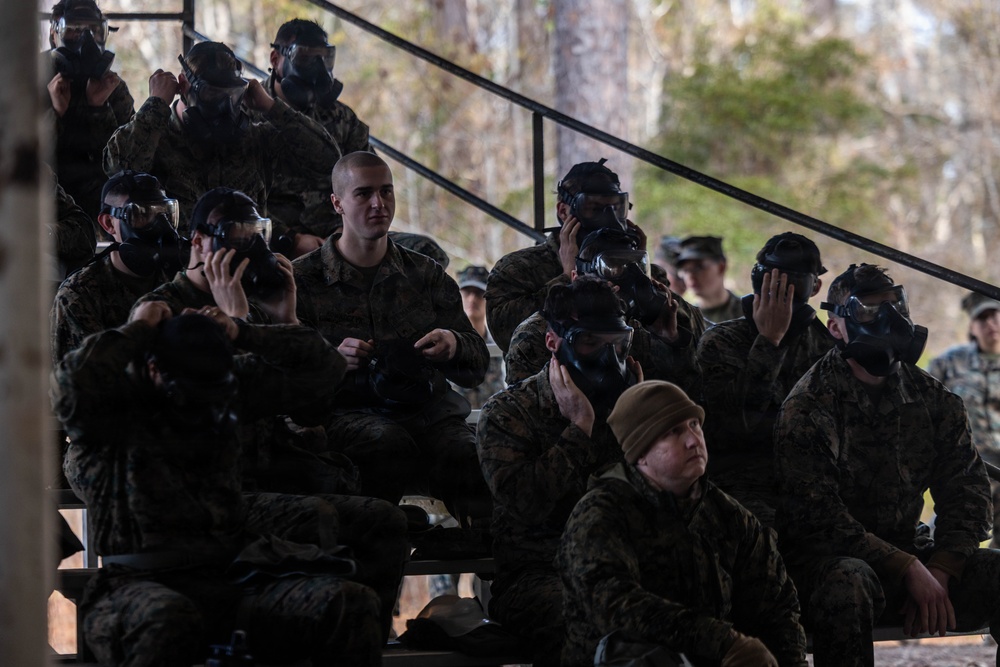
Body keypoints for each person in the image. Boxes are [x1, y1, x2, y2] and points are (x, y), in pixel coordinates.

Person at [53, 305, 383, 666]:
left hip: (228, 575)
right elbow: (69, 382)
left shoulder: (223, 388)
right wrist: (138, 329)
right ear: (152, 370)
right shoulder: (110, 408)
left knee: (348, 603)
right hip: (135, 584)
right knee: (168, 618)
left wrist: (242, 333)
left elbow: (325, 366)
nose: (199, 404)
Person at [774, 263, 1000, 667]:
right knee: (849, 581)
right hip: (828, 571)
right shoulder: (809, 405)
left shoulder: (933, 398)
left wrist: (943, 569)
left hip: (915, 562)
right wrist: (908, 568)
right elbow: (816, 519)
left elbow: (968, 491)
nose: (889, 321)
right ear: (836, 328)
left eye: (895, 306)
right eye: (868, 311)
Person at [294, 151, 491, 526]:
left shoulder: (426, 275)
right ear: (337, 203)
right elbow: (283, 374)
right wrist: (330, 360)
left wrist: (452, 343)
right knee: (384, 445)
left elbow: (477, 366)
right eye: (364, 194)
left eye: (386, 192)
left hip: (427, 413)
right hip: (348, 416)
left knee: (469, 454)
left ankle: (474, 545)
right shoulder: (303, 281)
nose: (378, 204)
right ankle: (381, 539)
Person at [557, 380, 808, 667]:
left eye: (694, 425)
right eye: (673, 432)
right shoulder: (601, 514)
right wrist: (724, 641)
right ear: (640, 453)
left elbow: (776, 607)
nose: (693, 439)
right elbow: (617, 606)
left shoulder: (728, 515)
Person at [477, 275, 642, 666]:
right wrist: (578, 430)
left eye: (616, 345)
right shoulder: (509, 412)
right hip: (539, 572)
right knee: (584, 622)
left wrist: (640, 420)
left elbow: (664, 497)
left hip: (625, 564)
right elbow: (527, 504)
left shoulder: (629, 403)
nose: (607, 358)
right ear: (554, 342)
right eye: (589, 344)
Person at [104, 40, 338, 237]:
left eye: (232, 94)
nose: (224, 104)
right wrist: (156, 104)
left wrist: (270, 107)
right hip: (177, 272)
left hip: (244, 266)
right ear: (184, 85)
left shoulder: (254, 138)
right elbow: (119, 169)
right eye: (212, 93)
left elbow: (327, 161)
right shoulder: (156, 136)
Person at [696, 231, 834, 526]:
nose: (780, 290)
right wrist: (770, 341)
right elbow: (735, 424)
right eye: (772, 279)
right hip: (741, 491)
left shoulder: (826, 348)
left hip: (813, 488)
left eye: (791, 282)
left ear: (815, 287)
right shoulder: (722, 341)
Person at [502, 226, 704, 390]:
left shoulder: (651, 324)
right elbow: (529, 407)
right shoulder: (542, 332)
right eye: (610, 271)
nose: (623, 286)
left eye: (636, 268)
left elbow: (687, 398)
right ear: (576, 278)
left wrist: (670, 340)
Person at [485, 158, 647, 353]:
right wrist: (565, 279)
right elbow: (507, 337)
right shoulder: (519, 268)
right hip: (551, 380)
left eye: (616, 208)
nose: (609, 219)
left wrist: (642, 272)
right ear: (563, 211)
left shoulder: (628, 266)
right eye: (594, 209)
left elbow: (676, 341)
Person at [262, 18, 371, 255]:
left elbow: (369, 182)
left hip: (341, 236)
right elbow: (236, 193)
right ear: (275, 59)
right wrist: (290, 238)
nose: (318, 68)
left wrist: (351, 229)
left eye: (324, 58)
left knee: (426, 253)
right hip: (272, 242)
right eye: (305, 58)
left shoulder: (341, 117)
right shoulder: (249, 111)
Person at [51, 170, 180, 363]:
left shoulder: (179, 278)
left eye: (164, 214)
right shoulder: (79, 295)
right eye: (141, 215)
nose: (159, 227)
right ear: (109, 223)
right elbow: (79, 381)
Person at [47, 0, 135, 221]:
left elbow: (126, 165)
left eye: (94, 31)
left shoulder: (113, 88)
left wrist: (99, 109)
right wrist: (56, 114)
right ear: (54, 34)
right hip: (45, 211)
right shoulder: (28, 82)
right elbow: (20, 155)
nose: (85, 39)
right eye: (74, 31)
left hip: (101, 213)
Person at [929, 291, 1000, 548]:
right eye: (983, 318)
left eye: (995, 316)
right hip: (965, 461)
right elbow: (922, 401)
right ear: (973, 326)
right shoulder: (951, 362)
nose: (991, 324)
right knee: (948, 527)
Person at [453, 264, 505, 408]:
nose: (472, 299)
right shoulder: (447, 343)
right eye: (466, 292)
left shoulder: (500, 344)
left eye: (478, 293)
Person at [676, 235, 742, 323]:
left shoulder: (749, 312)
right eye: (686, 270)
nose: (690, 276)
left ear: (721, 267)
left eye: (698, 267)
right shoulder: (685, 320)